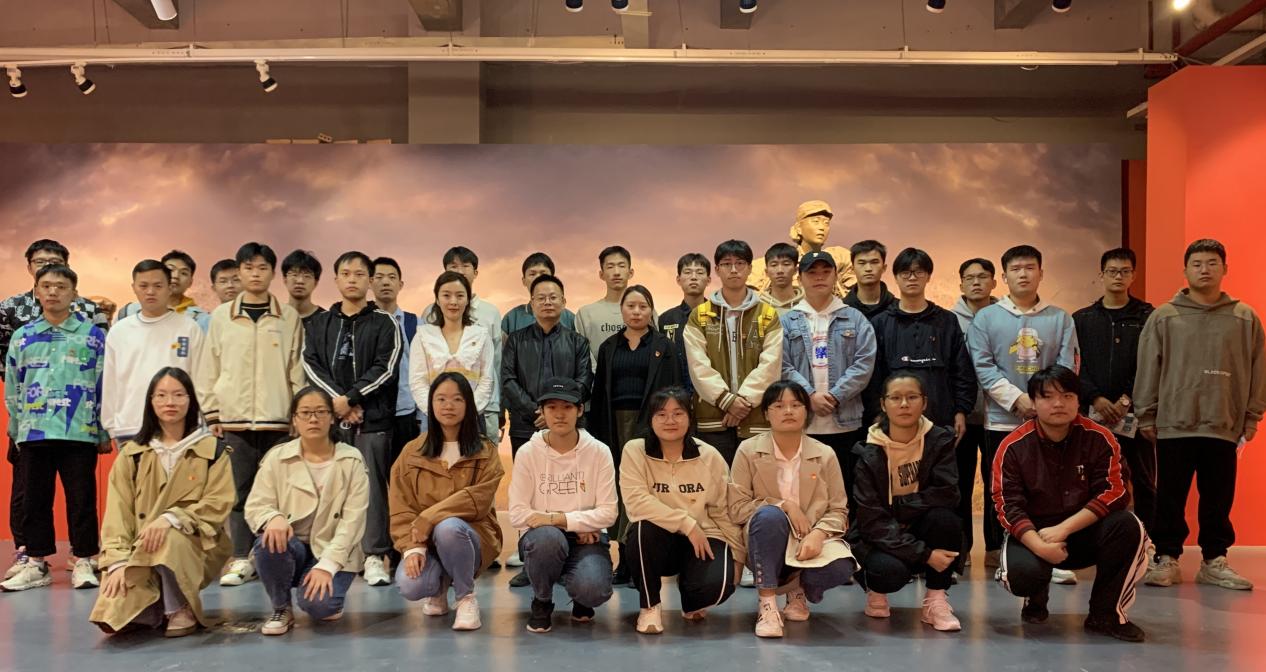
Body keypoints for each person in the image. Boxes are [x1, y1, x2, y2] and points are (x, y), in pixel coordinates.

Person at [1137, 239, 1264, 591]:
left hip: (1223, 422)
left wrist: (1252, 415)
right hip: (1174, 423)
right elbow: (1148, 367)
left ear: (1225, 269)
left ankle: (1214, 560)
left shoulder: (1244, 317)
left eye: (1212, 263)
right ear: (1185, 270)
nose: (1204, 269)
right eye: (1197, 263)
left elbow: (1259, 370)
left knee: (1218, 498)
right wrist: (1145, 414)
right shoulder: (1165, 316)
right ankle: (1166, 558)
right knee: (1170, 496)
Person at [993, 365, 1147, 642]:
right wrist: (1040, 546)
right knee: (1022, 575)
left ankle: (1105, 614)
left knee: (1128, 526)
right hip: (1036, 533)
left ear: (1078, 400)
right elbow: (1008, 505)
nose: (1058, 404)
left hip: (1083, 530)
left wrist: (1064, 529)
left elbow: (1115, 492)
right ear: (1033, 402)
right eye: (1048, 396)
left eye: (1067, 396)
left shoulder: (1100, 438)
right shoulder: (1013, 447)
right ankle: (1035, 595)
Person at [89, 367, 233, 637]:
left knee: (168, 538)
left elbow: (217, 503)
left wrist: (170, 519)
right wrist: (117, 562)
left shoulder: (212, 450)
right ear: (151, 402)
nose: (170, 402)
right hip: (139, 549)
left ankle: (179, 608)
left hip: (197, 545)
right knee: (113, 616)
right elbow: (118, 514)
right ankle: (155, 603)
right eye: (162, 395)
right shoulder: (132, 454)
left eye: (179, 395)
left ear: (190, 400)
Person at [196, 242, 306, 588]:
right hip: (233, 420)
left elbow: (296, 368)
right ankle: (242, 558)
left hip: (279, 420)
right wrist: (212, 413)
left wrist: (297, 413)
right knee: (238, 493)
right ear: (239, 271)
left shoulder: (288, 317)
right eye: (248, 268)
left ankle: (275, 555)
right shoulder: (221, 317)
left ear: (273, 273)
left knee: (280, 493)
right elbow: (209, 366)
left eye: (262, 268)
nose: (255, 274)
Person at [966, 244, 1078, 579]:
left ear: (1041, 273)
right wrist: (1017, 400)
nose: (1023, 274)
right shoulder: (987, 318)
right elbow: (982, 367)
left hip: (1049, 422)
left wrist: (1043, 405)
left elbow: (1066, 367)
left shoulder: (1060, 318)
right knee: (1002, 488)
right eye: (1015, 269)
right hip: (1002, 419)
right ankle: (1002, 551)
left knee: (1047, 486)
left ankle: (1050, 553)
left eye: (1030, 268)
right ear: (1004, 277)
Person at [0, 240, 110, 580]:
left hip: (79, 430)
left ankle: (84, 559)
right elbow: (13, 385)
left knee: (82, 499)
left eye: (61, 287)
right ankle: (36, 562)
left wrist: (103, 430)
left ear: (74, 293)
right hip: (34, 431)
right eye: (46, 286)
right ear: (36, 291)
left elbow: (104, 383)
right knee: (34, 500)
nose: (53, 292)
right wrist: (16, 427)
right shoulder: (23, 336)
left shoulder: (92, 336)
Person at [302, 251, 402, 588]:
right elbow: (311, 365)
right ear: (336, 280)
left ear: (369, 280)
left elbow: (386, 368)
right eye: (346, 273)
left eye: (359, 274)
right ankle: (333, 554)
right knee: (330, 486)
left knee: (372, 489)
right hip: (332, 421)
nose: (352, 279)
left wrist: (352, 399)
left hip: (374, 420)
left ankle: (374, 555)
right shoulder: (319, 323)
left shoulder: (385, 323)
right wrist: (339, 403)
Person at [728, 381, 856, 638]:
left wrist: (818, 533)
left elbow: (838, 510)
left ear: (806, 411)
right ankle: (767, 603)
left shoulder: (825, 454)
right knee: (770, 516)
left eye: (796, 405)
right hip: (764, 538)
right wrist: (784, 505)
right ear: (766, 413)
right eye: (779, 406)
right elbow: (737, 508)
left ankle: (797, 590)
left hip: (808, 540)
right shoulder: (748, 450)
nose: (788, 411)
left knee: (842, 567)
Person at [244, 386, 370, 636]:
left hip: (333, 549)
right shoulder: (277, 458)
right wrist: (273, 518)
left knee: (320, 606)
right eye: (305, 413)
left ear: (332, 418)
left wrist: (327, 565)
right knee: (267, 541)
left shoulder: (351, 459)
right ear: (294, 419)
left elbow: (353, 521)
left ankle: (326, 593)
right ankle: (281, 608)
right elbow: (256, 505)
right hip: (293, 548)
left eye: (321, 412)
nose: (313, 419)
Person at [846, 372, 962, 632]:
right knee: (889, 573)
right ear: (883, 404)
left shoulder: (940, 440)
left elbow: (947, 493)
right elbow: (870, 519)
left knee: (946, 520)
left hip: (920, 524)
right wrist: (925, 554)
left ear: (925, 402)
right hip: (880, 534)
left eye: (912, 397)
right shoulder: (867, 451)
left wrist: (897, 507)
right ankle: (876, 590)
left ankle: (936, 600)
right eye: (895, 398)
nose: (904, 404)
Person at [620, 387, 741, 634]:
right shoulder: (635, 450)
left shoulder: (709, 456)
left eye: (678, 413)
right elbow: (636, 501)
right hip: (659, 539)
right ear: (650, 418)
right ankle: (650, 606)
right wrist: (687, 524)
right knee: (641, 530)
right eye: (661, 414)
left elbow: (723, 510)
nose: (670, 421)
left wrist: (738, 557)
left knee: (717, 588)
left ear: (690, 417)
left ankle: (691, 594)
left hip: (703, 536)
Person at [390, 372, 503, 631]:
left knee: (448, 527)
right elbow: (401, 506)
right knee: (410, 584)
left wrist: (431, 516)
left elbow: (479, 501)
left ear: (468, 405)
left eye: (457, 399)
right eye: (440, 399)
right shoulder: (411, 451)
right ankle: (438, 588)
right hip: (426, 540)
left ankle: (465, 598)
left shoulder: (485, 451)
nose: (448, 406)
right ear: (430, 404)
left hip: (473, 538)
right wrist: (413, 548)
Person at [502, 274, 593, 587]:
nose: (548, 302)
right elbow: (508, 380)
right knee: (530, 493)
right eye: (541, 297)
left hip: (568, 431)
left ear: (564, 302)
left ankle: (571, 560)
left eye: (554, 297)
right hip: (526, 427)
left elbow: (584, 381)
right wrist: (537, 411)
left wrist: (557, 413)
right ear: (531, 304)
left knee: (568, 490)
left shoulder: (578, 342)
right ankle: (530, 562)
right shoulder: (516, 340)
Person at [589, 285, 682, 586]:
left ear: (651, 310)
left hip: (650, 424)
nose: (637, 312)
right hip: (614, 424)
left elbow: (674, 389)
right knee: (618, 489)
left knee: (645, 489)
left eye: (643, 306)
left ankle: (641, 558)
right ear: (622, 310)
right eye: (631, 306)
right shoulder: (609, 347)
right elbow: (599, 393)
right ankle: (624, 559)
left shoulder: (663, 346)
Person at [508, 378, 617, 633]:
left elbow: (609, 512)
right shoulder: (528, 453)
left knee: (595, 589)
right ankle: (542, 600)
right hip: (546, 538)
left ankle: (582, 597)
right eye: (552, 407)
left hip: (588, 539)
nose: (559, 414)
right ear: (541, 412)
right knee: (548, 538)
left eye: (567, 407)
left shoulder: (599, 452)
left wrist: (555, 519)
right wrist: (576, 524)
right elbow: (517, 514)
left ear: (580, 410)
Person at [781, 251, 876, 518]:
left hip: (846, 423)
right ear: (800, 278)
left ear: (835, 276)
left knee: (845, 492)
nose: (819, 277)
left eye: (825, 271)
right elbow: (782, 365)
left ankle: (844, 540)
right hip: (803, 423)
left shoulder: (855, 319)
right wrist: (809, 395)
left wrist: (834, 396)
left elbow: (864, 364)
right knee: (804, 494)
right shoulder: (786, 321)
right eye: (812, 272)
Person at [1072, 249, 1156, 536]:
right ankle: (1091, 540)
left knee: (1143, 479)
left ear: (1133, 275)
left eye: (1125, 271)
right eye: (1112, 271)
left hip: (1135, 414)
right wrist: (1095, 397)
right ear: (1102, 275)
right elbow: (1075, 364)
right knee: (1089, 478)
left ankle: (1147, 541)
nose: (1118, 276)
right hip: (1091, 413)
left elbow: (1151, 363)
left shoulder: (1148, 317)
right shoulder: (1082, 319)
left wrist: (1125, 399)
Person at [683, 240, 782, 465]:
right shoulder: (700, 315)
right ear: (717, 270)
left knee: (758, 480)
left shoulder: (767, 314)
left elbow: (771, 364)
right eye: (727, 264)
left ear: (750, 268)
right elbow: (697, 365)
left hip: (755, 417)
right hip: (713, 418)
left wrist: (743, 403)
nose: (734, 269)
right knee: (717, 480)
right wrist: (727, 401)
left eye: (740, 263)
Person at [868, 248, 976, 441]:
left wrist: (961, 410)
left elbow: (961, 371)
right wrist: (878, 413)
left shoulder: (947, 320)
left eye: (919, 272)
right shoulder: (880, 323)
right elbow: (873, 375)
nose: (912, 278)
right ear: (896, 277)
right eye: (905, 272)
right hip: (894, 420)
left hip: (941, 418)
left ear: (928, 276)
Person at [101, 260, 205, 446]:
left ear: (169, 287)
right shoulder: (119, 331)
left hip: (180, 427)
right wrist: (110, 425)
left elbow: (200, 378)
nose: (150, 291)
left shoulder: (189, 328)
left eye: (158, 286)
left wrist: (201, 421)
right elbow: (110, 382)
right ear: (134, 287)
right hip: (130, 426)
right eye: (143, 286)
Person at [950, 257, 998, 568]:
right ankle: (962, 547)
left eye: (982, 277)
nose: (976, 283)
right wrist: (957, 408)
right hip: (963, 416)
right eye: (970, 278)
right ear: (961, 284)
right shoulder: (949, 320)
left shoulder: (1005, 316)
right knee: (960, 483)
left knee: (997, 482)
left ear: (994, 281)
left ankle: (995, 547)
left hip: (1000, 415)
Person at [409, 272, 495, 434]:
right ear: (437, 299)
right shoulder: (423, 336)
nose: (453, 302)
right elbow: (418, 381)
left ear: (468, 299)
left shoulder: (481, 335)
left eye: (460, 295)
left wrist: (467, 411)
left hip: (472, 419)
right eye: (446, 295)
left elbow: (486, 380)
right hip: (433, 419)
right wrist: (437, 411)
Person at [438, 246, 503, 441]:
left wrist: (499, 405)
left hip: (486, 405)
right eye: (453, 266)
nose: (459, 271)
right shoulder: (432, 313)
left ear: (475, 272)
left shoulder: (490, 312)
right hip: (443, 407)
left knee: (485, 456)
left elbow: (497, 361)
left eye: (465, 266)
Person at [371, 257, 423, 479]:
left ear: (400, 284)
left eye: (392, 277)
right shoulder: (362, 322)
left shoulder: (415, 324)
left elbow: (424, 372)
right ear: (370, 282)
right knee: (372, 480)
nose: (386, 282)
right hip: (370, 416)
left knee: (405, 481)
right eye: (379, 277)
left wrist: (422, 418)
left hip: (405, 414)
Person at [748, 200, 856, 298]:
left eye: (826, 223)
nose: (822, 227)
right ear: (799, 228)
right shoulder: (768, 265)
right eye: (816, 221)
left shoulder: (839, 260)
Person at [577, 246, 657, 370]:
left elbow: (657, 347)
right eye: (610, 267)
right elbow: (583, 355)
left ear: (631, 272)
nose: (616, 272)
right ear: (601, 274)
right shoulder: (586, 314)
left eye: (621, 266)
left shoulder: (646, 311)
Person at [658, 253, 711, 396]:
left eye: (699, 272)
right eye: (687, 272)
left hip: (711, 394)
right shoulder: (665, 319)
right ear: (678, 279)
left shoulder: (719, 316)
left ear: (708, 280)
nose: (693, 277)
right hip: (676, 394)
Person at [117, 250, 209, 330]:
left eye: (184, 273)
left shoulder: (201, 319)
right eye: (170, 270)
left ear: (190, 282)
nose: (176, 276)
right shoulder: (128, 312)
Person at [501, 252, 577, 335]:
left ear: (552, 278)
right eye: (532, 274)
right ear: (524, 281)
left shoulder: (570, 319)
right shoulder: (511, 319)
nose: (538, 278)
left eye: (543, 274)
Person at [843, 240, 896, 321]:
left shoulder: (898, 309)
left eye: (874, 262)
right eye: (862, 263)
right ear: (852, 269)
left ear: (884, 268)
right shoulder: (841, 310)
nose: (868, 268)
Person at [757, 243, 803, 315]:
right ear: (766, 272)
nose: (780, 270)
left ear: (795, 270)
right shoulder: (756, 307)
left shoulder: (809, 306)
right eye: (774, 265)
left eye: (786, 264)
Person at [282, 249, 325, 325]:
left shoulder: (326, 320)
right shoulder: (274, 317)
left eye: (307, 276)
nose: (300, 281)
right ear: (285, 279)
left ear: (316, 282)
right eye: (294, 274)